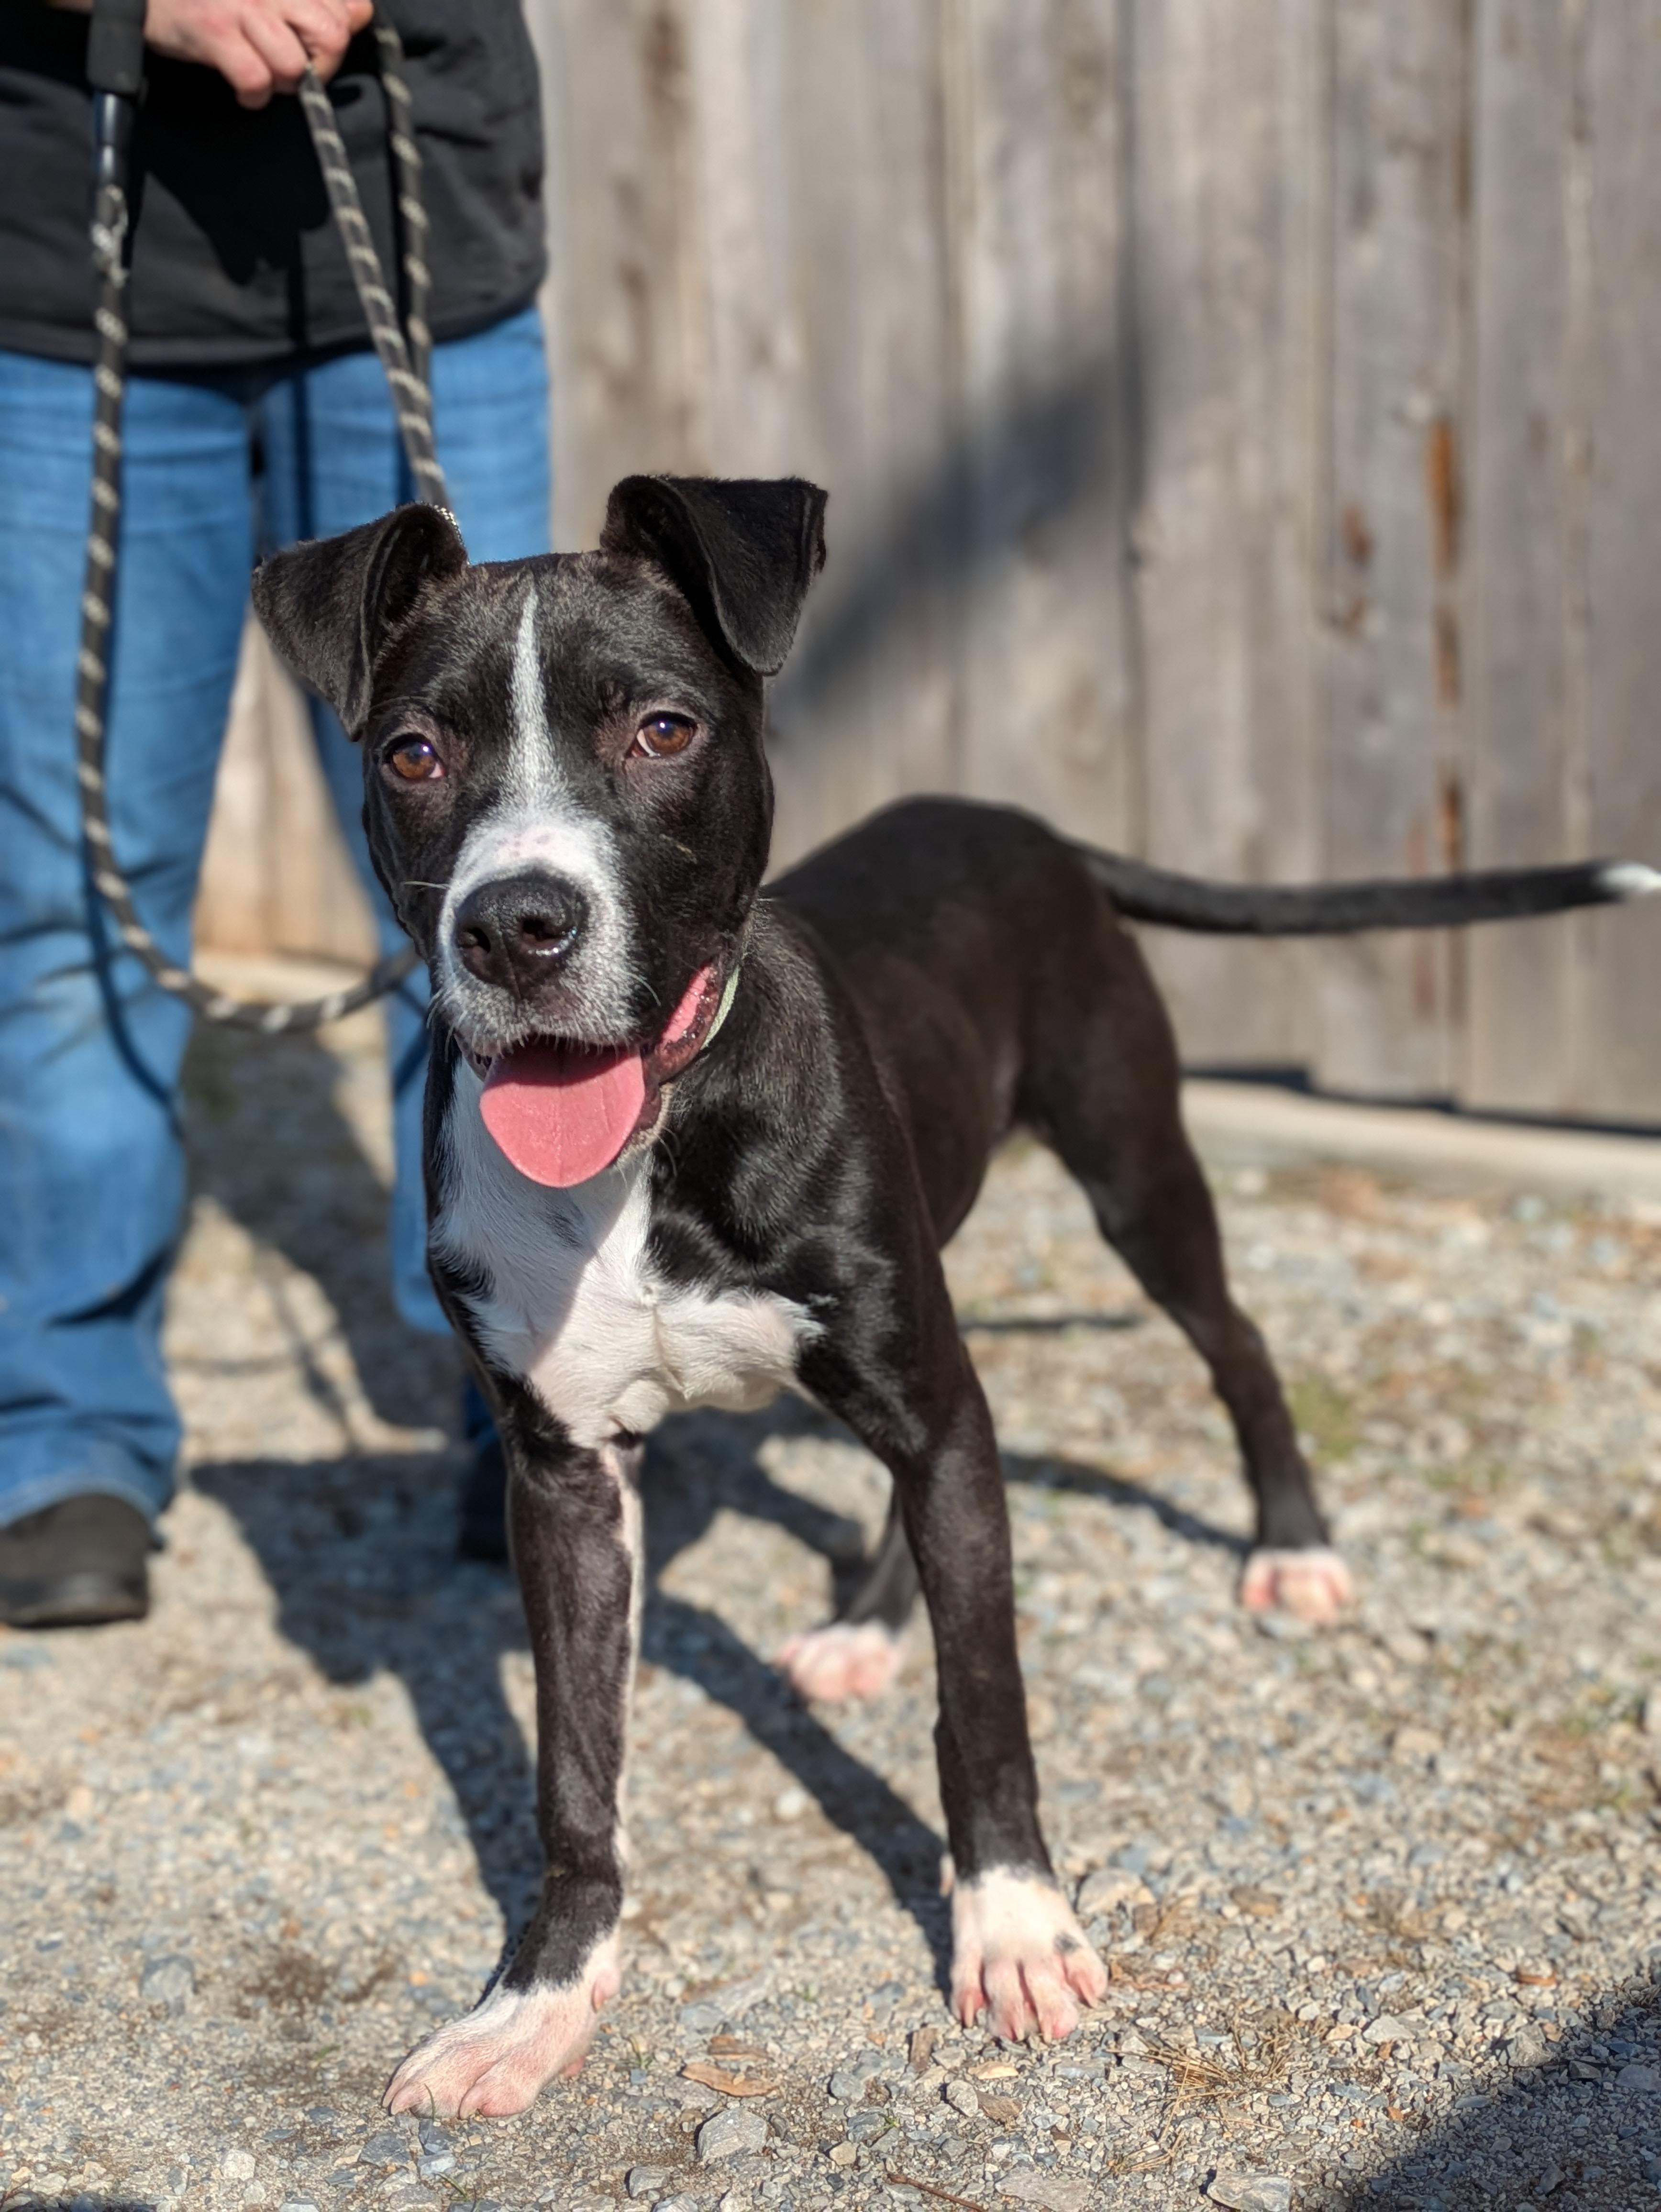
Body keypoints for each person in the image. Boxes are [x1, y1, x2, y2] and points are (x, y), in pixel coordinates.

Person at [0, 0, 547, 1625]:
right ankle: (63, 1431)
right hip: (53, 255)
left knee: (501, 867)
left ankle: (525, 1384)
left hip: (415, 214)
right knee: (59, 896)